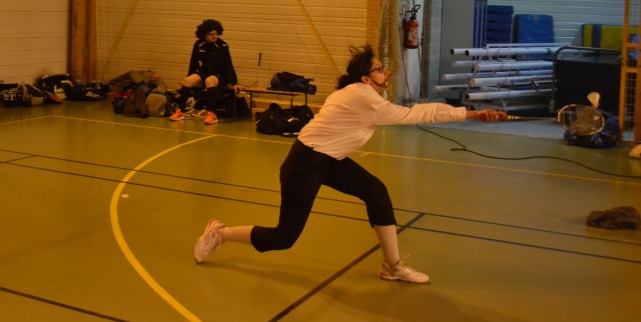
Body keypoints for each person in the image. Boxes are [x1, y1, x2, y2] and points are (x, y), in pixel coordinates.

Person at [193, 44, 504, 283]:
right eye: (379, 69)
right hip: (305, 163)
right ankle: (220, 233)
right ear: (366, 78)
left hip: (329, 159)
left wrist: (472, 114)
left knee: (376, 192)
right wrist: (472, 114)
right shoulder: (364, 98)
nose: (385, 72)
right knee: (283, 238)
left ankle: (392, 266)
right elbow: (416, 115)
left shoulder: (360, 93)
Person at [169, 19, 241, 125]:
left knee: (209, 81)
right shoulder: (199, 45)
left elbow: (228, 64)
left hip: (220, 74)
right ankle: (180, 111)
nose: (214, 36)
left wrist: (234, 82)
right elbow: (193, 63)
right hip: (205, 71)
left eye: (216, 34)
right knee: (188, 81)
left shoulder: (223, 46)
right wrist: (189, 77)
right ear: (204, 35)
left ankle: (212, 114)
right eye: (211, 34)